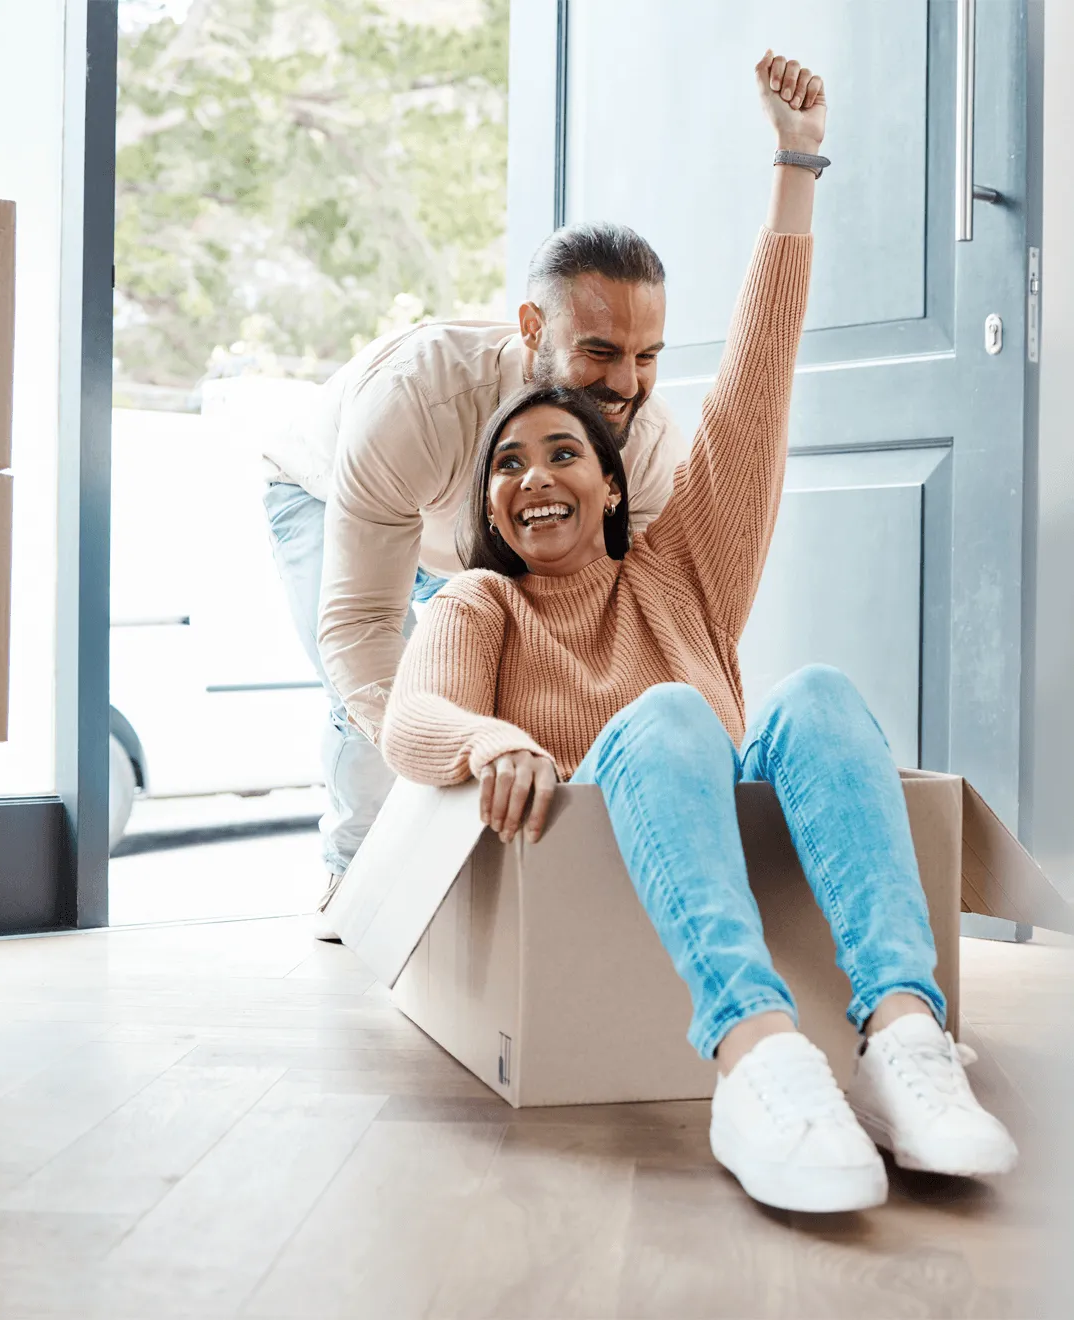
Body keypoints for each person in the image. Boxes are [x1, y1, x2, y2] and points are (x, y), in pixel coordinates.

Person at [380, 52, 1018, 1213]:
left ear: (615, 484)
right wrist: (488, 740)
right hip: (617, 840)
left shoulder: (687, 568)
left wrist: (797, 163)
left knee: (817, 693)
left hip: (723, 800)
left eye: (564, 452)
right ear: (486, 507)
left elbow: (759, 376)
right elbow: (411, 717)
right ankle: (756, 1055)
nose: (534, 477)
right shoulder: (481, 605)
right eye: (506, 465)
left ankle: (902, 1038)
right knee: (670, 713)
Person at [263, 191, 689, 930]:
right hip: (324, 494)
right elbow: (360, 627)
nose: (626, 385)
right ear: (533, 329)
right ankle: (355, 879)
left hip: (479, 540)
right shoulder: (417, 400)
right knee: (379, 684)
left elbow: (620, 631)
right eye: (599, 352)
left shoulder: (645, 448)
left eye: (645, 356)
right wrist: (454, 749)